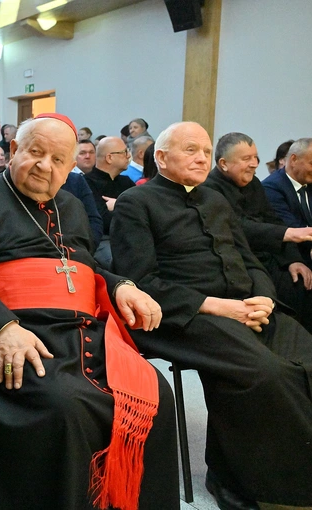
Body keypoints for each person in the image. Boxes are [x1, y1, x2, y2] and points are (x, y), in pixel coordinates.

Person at [0, 113, 178, 510]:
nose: (44, 166)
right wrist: (4, 326)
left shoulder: (72, 206)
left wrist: (121, 285)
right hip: (18, 336)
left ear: (69, 168)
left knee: (154, 393)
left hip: (83, 333)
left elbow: (83, 267)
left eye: (58, 159)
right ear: (15, 150)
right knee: (64, 405)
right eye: (35, 152)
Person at [111, 121, 312, 510]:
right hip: (181, 315)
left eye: (206, 151)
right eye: (191, 150)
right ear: (161, 157)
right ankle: (247, 485)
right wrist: (218, 306)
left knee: (306, 358)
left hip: (245, 306)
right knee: (267, 374)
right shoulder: (137, 202)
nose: (202, 158)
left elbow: (249, 259)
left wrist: (263, 299)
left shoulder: (216, 199)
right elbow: (141, 281)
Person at [203, 132, 312, 333]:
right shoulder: (209, 190)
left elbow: (272, 219)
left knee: (303, 282)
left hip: (270, 256)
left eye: (256, 157)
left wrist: (293, 260)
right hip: (241, 263)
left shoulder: (253, 183)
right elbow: (238, 227)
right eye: (246, 159)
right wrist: (288, 233)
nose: (254, 164)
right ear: (224, 164)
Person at [84, 137, 135, 269]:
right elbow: (103, 220)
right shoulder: (87, 183)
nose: (128, 156)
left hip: (132, 237)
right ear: (109, 158)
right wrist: (128, 208)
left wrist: (118, 204)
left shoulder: (126, 182)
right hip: (104, 240)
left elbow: (143, 212)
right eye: (124, 152)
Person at [263, 138, 312, 265]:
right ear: (294, 160)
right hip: (291, 259)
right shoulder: (271, 188)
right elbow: (291, 228)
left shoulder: (308, 183)